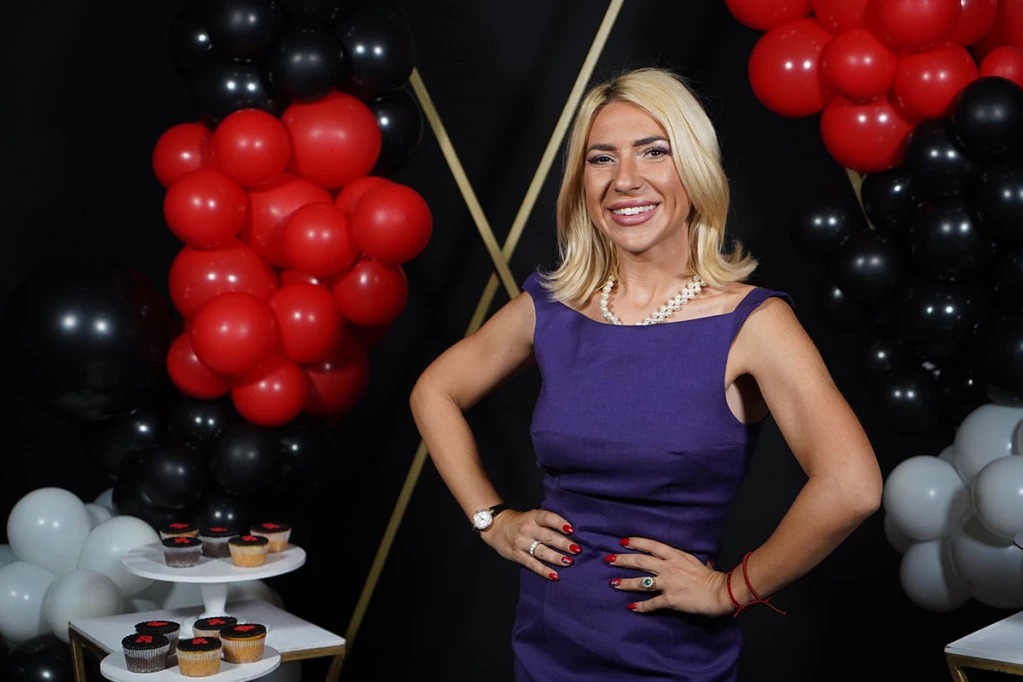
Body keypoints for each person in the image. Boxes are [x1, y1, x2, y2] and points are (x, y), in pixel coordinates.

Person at [409, 66, 882, 681]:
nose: (625, 179)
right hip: (546, 645)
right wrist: (491, 520)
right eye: (601, 159)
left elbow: (851, 486)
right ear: (581, 182)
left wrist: (730, 589)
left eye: (653, 151)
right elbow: (435, 391)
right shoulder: (551, 306)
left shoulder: (752, 323)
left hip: (671, 659)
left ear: (695, 169)